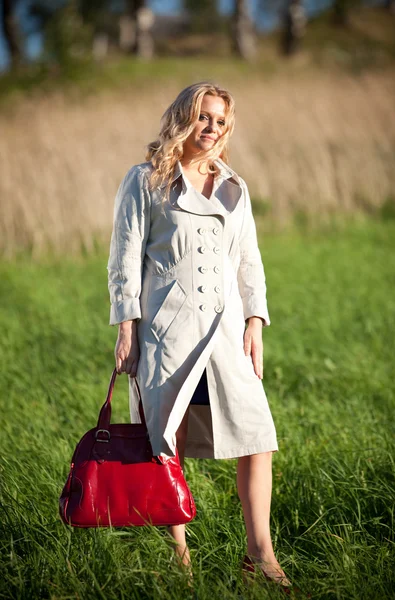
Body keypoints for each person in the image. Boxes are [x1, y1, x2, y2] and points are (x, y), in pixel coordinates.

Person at [107, 82, 292, 591]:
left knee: (257, 437)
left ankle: (261, 555)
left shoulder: (235, 186)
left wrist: (256, 319)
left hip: (228, 332)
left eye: (221, 122)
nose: (212, 129)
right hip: (170, 331)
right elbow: (123, 258)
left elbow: (249, 260)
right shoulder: (145, 181)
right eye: (204, 118)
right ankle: (179, 559)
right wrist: (126, 327)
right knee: (170, 440)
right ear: (182, 118)